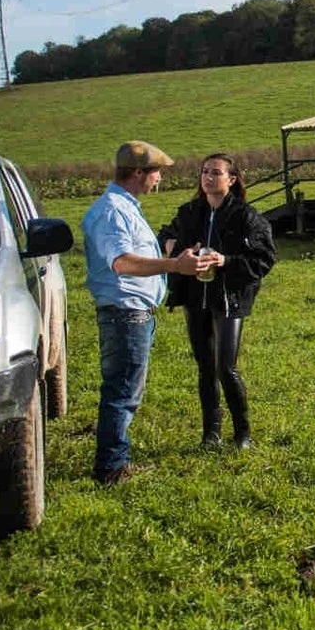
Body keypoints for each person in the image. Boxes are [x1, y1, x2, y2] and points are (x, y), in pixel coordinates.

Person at [82, 140, 215, 485]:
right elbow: (122, 262)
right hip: (125, 313)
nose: (159, 179)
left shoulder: (124, 206)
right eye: (156, 172)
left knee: (125, 389)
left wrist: (176, 258)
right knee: (123, 391)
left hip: (133, 312)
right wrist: (175, 265)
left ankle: (113, 460)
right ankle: (112, 467)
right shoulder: (113, 211)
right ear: (138, 172)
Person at [159, 153, 277, 450]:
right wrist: (171, 245)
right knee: (205, 367)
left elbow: (264, 258)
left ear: (231, 179)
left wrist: (224, 260)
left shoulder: (246, 216)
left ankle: (243, 434)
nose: (208, 178)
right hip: (195, 296)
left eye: (215, 173)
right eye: (204, 172)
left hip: (229, 298)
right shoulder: (190, 212)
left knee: (226, 366)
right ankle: (211, 434)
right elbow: (167, 234)